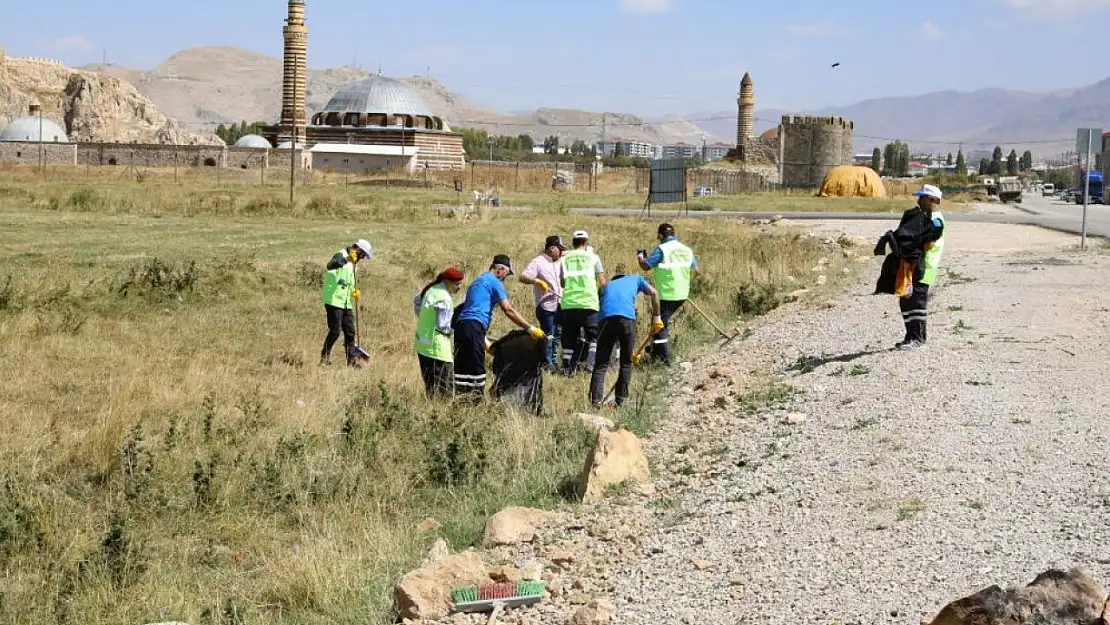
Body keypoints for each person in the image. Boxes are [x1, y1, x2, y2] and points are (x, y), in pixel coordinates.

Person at [453, 255, 545, 401]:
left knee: (463, 364)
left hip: (461, 328)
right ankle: (476, 402)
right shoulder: (494, 282)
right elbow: (508, 310)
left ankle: (460, 399)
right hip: (474, 327)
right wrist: (530, 328)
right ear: (499, 270)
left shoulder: (476, 282)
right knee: (477, 367)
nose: (504, 279)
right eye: (505, 275)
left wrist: (484, 341)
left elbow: (468, 312)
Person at [877, 183, 945, 348]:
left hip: (924, 268)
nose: (919, 200)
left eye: (922, 198)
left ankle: (918, 339)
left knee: (917, 303)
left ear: (933, 200)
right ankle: (910, 336)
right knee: (906, 301)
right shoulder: (923, 218)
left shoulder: (936, 221)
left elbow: (928, 243)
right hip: (912, 267)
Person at [589, 264, 662, 408]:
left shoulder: (607, 286)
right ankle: (620, 401)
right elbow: (653, 293)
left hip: (605, 320)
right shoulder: (636, 278)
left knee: (601, 364)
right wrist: (656, 317)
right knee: (626, 362)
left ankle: (595, 403)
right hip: (626, 320)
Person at [638, 223, 699, 365]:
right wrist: (686, 281)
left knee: (660, 325)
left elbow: (645, 267)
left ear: (659, 235)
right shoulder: (686, 250)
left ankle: (664, 360)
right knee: (659, 323)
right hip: (682, 294)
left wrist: (640, 257)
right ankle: (655, 351)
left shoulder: (662, 249)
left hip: (666, 295)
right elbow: (697, 270)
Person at [413, 267, 465, 399]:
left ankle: (431, 414)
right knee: (444, 392)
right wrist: (459, 328)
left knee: (430, 388)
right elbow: (444, 326)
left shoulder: (431, 290)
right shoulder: (444, 299)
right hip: (438, 350)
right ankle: (440, 418)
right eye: (457, 284)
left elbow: (417, 302)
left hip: (422, 347)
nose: (459, 287)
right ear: (447, 281)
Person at [559, 230, 606, 375]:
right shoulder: (593, 258)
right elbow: (603, 282)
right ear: (586, 243)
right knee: (593, 335)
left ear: (572, 243)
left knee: (569, 336)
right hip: (589, 302)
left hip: (569, 303)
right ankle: (590, 364)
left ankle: (567, 368)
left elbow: (562, 282)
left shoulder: (564, 259)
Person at [320, 239, 372, 366]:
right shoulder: (341, 255)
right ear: (359, 250)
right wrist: (346, 259)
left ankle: (351, 361)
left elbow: (348, 279)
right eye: (363, 255)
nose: (363, 258)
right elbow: (330, 265)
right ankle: (324, 357)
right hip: (333, 300)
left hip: (345, 302)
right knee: (335, 331)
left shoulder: (353, 263)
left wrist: (354, 291)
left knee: (350, 332)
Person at [518, 235, 566, 371]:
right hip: (546, 306)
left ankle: (554, 361)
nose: (561, 251)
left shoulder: (561, 261)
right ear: (551, 248)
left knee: (558, 335)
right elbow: (523, 277)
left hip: (560, 304)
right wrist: (536, 281)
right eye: (559, 249)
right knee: (548, 336)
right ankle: (546, 364)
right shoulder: (538, 262)